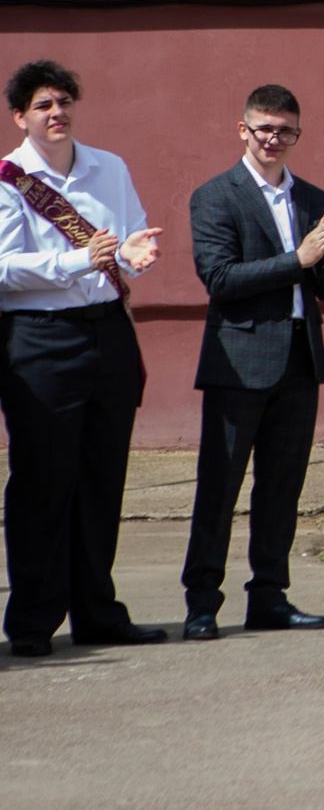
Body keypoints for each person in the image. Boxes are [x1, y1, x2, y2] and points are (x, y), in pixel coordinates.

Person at [0, 61, 164, 658]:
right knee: (43, 479)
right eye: (43, 105)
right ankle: (33, 619)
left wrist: (135, 251)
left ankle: (97, 611)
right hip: (41, 339)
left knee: (102, 476)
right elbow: (2, 268)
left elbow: (130, 233)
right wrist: (78, 260)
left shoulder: (108, 167)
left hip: (108, 331)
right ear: (20, 116)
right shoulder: (9, 179)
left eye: (65, 101)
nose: (57, 113)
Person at [181, 84, 324, 639]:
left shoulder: (310, 195)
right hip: (239, 359)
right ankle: (202, 602)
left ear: (298, 134)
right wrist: (298, 257)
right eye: (265, 129)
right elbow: (220, 279)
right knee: (220, 486)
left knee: (282, 486)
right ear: (244, 131)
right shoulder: (216, 195)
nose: (274, 140)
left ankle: (270, 596)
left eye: (286, 131)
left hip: (300, 358)